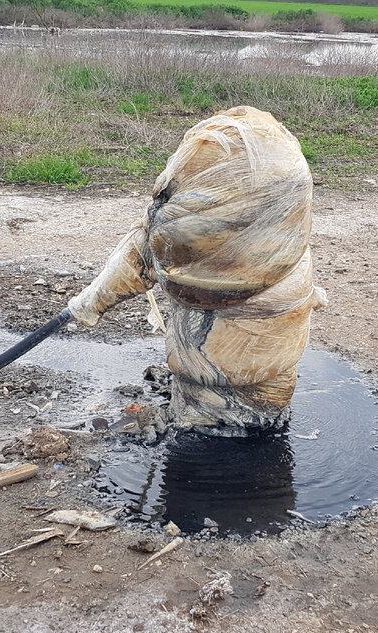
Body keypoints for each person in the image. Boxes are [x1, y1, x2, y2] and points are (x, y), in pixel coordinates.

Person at [67, 106, 326, 435]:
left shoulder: (269, 241)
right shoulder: (176, 227)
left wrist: (89, 304)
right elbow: (139, 255)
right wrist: (88, 303)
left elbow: (145, 248)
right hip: (196, 397)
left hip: (264, 389)